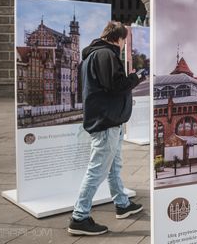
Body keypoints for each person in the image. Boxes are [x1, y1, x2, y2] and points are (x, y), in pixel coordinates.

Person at [68, 21, 145, 236]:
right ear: (118, 39)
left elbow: (107, 86)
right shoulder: (106, 55)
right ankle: (79, 217)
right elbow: (116, 85)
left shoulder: (93, 55)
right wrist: (136, 77)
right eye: (124, 40)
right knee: (97, 169)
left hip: (109, 120)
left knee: (113, 167)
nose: (123, 45)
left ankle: (122, 203)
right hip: (106, 122)